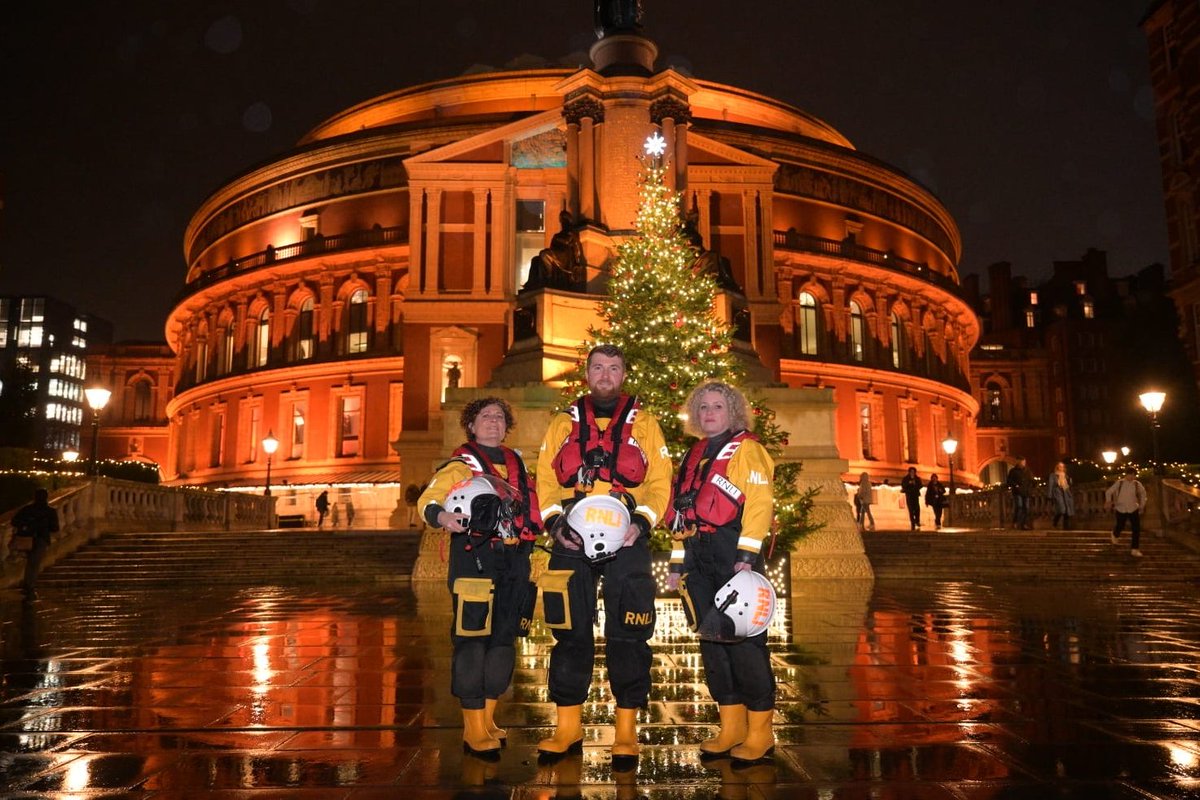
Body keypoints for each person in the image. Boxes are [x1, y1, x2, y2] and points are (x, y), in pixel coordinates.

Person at [535, 344, 672, 765]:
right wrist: (555, 525)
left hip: (626, 540)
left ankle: (626, 731)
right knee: (569, 631)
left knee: (629, 633)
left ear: (624, 373)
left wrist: (642, 523)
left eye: (614, 367)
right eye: (598, 367)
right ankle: (567, 727)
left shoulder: (645, 424)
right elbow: (544, 479)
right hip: (571, 541)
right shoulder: (562, 423)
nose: (606, 375)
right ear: (587, 374)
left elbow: (661, 483)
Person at [418, 397, 542, 757]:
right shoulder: (460, 465)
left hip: (515, 559)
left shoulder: (518, 465)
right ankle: (472, 726)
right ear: (471, 426)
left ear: (507, 426)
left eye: (500, 418)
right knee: (472, 639)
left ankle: (489, 718)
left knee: (504, 639)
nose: (493, 422)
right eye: (485, 417)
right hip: (474, 559)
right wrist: (442, 517)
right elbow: (429, 499)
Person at [665, 382, 776, 762]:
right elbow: (681, 512)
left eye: (717, 407)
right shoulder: (693, 455)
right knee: (712, 644)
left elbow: (760, 504)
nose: (709, 413)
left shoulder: (748, 450)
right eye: (703, 408)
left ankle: (760, 733)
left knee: (745, 646)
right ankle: (731, 728)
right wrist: (678, 563)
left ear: (732, 412)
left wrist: (746, 555)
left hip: (734, 555)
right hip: (699, 558)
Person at [12, 488, 60, 600]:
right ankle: (30, 587)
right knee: (34, 564)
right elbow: (55, 528)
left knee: (30, 562)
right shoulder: (50, 511)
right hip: (41, 539)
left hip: (27, 538)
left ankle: (28, 585)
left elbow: (14, 521)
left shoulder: (27, 509)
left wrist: (26, 525)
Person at [1105, 468, 1148, 557]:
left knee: (1136, 529)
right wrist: (1109, 501)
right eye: (1130, 474)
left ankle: (1135, 549)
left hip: (1133, 508)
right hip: (1121, 508)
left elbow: (1143, 494)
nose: (1132, 477)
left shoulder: (1137, 484)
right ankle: (1115, 534)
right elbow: (1109, 492)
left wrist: (1142, 506)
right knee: (1120, 525)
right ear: (1127, 474)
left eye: (1134, 475)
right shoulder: (1120, 483)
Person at [1006, 457, 1034, 529]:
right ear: (1018, 462)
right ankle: (1015, 522)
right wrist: (1015, 485)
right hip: (1017, 492)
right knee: (1019, 506)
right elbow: (1009, 481)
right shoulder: (1013, 471)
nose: (1023, 464)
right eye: (1022, 462)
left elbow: (1031, 480)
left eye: (1024, 462)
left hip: (1026, 492)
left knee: (1026, 508)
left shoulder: (1028, 471)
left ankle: (1024, 524)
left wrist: (1031, 487)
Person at [1048, 461, 1075, 530]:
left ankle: (1066, 526)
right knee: (1061, 509)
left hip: (1065, 492)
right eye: (1060, 466)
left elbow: (1068, 485)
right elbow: (1050, 485)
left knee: (1067, 510)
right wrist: (1050, 495)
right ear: (1057, 467)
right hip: (1057, 492)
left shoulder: (1065, 475)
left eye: (1062, 466)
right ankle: (1055, 522)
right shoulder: (1053, 475)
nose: (1061, 468)